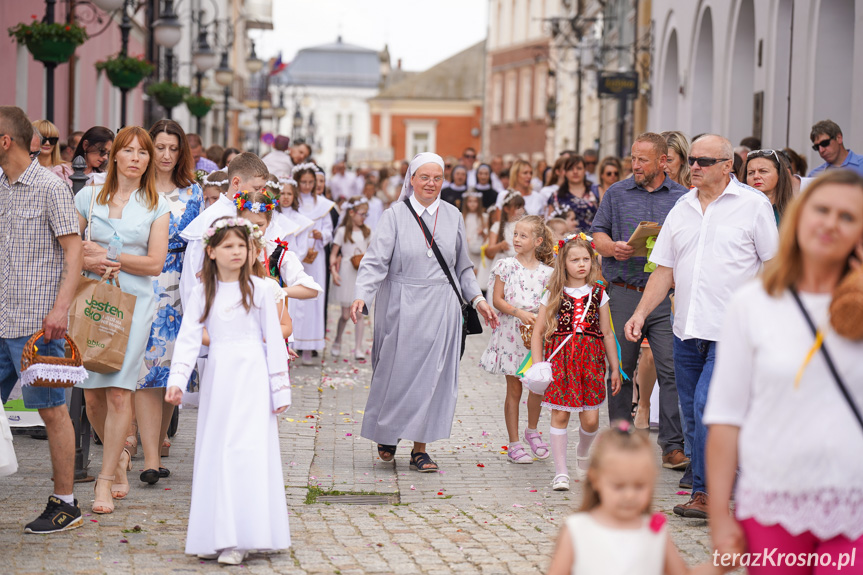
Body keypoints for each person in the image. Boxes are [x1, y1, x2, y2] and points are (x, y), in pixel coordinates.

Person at [705, 170, 863, 574]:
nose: (831, 223)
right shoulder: (754, 304)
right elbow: (726, 416)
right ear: (798, 217)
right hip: (774, 500)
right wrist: (721, 517)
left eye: (848, 217)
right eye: (821, 210)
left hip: (855, 504)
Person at [624, 134, 779, 519]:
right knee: (693, 413)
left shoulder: (753, 206)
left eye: (704, 161)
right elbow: (664, 269)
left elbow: (775, 267)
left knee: (708, 405)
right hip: (687, 330)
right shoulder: (682, 207)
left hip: (733, 332)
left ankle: (707, 493)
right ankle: (720, 482)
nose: (693, 166)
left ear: (728, 166)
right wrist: (640, 314)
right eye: (691, 159)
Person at [349, 153, 499, 471]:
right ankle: (387, 434)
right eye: (424, 177)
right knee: (394, 371)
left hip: (441, 306)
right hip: (400, 304)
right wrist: (362, 295)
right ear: (412, 180)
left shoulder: (453, 215)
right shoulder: (394, 215)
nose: (431, 183)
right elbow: (375, 262)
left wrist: (479, 300)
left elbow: (462, 266)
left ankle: (420, 448)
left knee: (433, 377)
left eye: (437, 178)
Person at [165, 217, 291, 565]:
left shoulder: (262, 290)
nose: (236, 252)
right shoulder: (205, 291)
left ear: (251, 250)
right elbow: (189, 337)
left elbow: (275, 342)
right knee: (218, 449)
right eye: (228, 246)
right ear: (211, 251)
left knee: (247, 450)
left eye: (241, 245)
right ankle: (218, 533)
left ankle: (248, 535)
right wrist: (177, 380)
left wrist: (279, 391)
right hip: (219, 379)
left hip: (253, 377)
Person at [74, 126, 171, 514]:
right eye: (128, 150)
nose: (136, 157)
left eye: (142, 152)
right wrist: (86, 256)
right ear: (113, 155)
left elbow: (154, 263)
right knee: (92, 398)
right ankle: (119, 458)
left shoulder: (156, 204)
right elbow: (68, 246)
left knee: (118, 392)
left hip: (135, 303)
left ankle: (104, 478)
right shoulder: (87, 197)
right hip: (92, 303)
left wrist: (109, 257)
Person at [0, 106, 84, 533]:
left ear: (5, 141)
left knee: (52, 412)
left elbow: (74, 251)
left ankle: (66, 502)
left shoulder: (51, 188)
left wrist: (61, 309)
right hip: (0, 319)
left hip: (38, 323)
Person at [590, 132, 688, 475]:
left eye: (643, 160)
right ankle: (621, 440)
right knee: (620, 368)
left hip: (664, 297)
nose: (635, 165)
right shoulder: (616, 193)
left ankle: (673, 447)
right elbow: (596, 234)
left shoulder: (683, 197)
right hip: (622, 292)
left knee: (672, 368)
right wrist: (611, 247)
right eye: (633, 158)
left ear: (663, 161)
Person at [546, 423, 721, 575]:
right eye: (619, 486)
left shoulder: (654, 529)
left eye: (639, 486)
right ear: (595, 479)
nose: (629, 495)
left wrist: (720, 567)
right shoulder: (578, 529)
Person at [135, 119, 204, 484]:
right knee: (145, 372)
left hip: (181, 284)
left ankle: (159, 441)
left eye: (172, 148)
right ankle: (148, 459)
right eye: (159, 147)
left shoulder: (193, 193)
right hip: (143, 279)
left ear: (181, 153)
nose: (165, 155)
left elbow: (202, 244)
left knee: (168, 370)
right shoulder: (137, 190)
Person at [530, 234, 620, 491]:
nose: (582, 264)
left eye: (586, 259)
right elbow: (537, 333)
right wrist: (539, 366)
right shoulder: (554, 293)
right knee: (560, 415)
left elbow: (607, 333)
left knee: (590, 420)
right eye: (575, 260)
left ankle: (583, 451)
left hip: (591, 361)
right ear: (563, 262)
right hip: (561, 359)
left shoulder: (599, 293)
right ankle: (561, 472)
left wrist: (615, 368)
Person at [480, 215, 554, 464]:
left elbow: (551, 303)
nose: (517, 239)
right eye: (515, 234)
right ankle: (514, 443)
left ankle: (532, 430)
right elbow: (497, 300)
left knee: (538, 384)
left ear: (538, 241)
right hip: (512, 332)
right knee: (514, 388)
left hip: (537, 334)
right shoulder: (505, 266)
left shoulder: (548, 273)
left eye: (523, 235)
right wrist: (519, 313)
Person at [179, 152, 269, 307]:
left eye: (263, 189)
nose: (261, 194)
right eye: (257, 188)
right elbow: (192, 279)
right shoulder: (211, 219)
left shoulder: (256, 215)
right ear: (235, 183)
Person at [292, 162, 334, 364]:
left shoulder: (323, 204)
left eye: (311, 182)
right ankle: (293, 343)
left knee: (312, 299)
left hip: (315, 255)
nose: (308, 186)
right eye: (304, 182)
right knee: (294, 298)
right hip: (297, 254)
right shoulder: (293, 203)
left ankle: (309, 347)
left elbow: (329, 230)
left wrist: (321, 234)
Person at [329, 197, 371, 359]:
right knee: (346, 314)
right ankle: (337, 340)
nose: (364, 217)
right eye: (362, 214)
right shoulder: (342, 232)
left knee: (360, 314)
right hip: (346, 273)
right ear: (351, 213)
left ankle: (358, 348)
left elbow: (372, 252)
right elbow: (333, 255)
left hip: (360, 273)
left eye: (366, 214)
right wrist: (334, 272)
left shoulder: (367, 232)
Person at [548, 155, 600, 231]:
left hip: (593, 240)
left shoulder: (596, 192)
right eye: (571, 169)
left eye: (579, 168)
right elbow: (550, 225)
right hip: (566, 240)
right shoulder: (556, 196)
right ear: (565, 172)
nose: (575, 172)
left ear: (585, 170)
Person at [744, 148, 794, 225]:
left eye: (763, 171)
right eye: (751, 173)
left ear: (780, 174)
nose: (756, 176)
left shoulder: (795, 211)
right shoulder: (739, 210)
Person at [486, 191, 526, 280]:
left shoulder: (524, 226)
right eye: (517, 207)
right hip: (502, 267)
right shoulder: (497, 226)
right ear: (507, 209)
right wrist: (500, 246)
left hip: (520, 265)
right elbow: (489, 251)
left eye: (522, 207)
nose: (521, 210)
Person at [462, 190, 490, 289]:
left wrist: (482, 233)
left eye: (475, 201)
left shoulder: (484, 218)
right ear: (466, 203)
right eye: (470, 201)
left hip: (478, 251)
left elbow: (488, 236)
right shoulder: (462, 217)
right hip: (467, 251)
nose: (473, 204)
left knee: (478, 277)